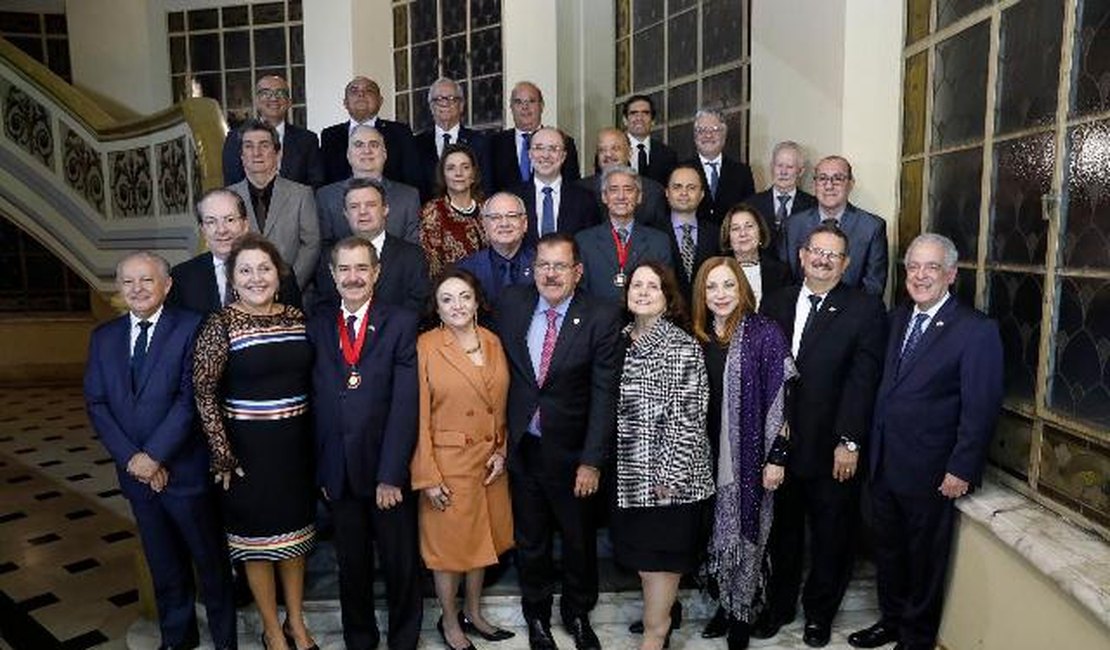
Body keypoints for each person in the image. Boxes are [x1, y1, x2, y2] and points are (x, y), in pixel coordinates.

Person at [849, 234, 1003, 650]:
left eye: (931, 268)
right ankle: (892, 621)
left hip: (932, 471)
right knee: (889, 553)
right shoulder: (897, 318)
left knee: (923, 560)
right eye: (913, 266)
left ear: (951, 275)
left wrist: (962, 467)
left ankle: (915, 639)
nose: (919, 275)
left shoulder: (975, 330)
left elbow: (981, 407)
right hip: (885, 465)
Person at [84, 251, 236, 650]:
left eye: (147, 280)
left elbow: (192, 398)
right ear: (119, 288)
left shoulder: (192, 327)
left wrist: (155, 456)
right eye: (129, 281)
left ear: (166, 286)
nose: (137, 289)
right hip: (137, 477)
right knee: (164, 567)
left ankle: (225, 642)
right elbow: (97, 404)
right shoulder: (104, 337)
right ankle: (177, 640)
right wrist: (135, 460)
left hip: (184, 472)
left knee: (211, 565)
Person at [758, 224, 887, 646]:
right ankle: (779, 607)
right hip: (780, 446)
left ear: (846, 264)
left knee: (833, 536)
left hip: (832, 448)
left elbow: (862, 380)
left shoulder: (865, 309)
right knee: (782, 534)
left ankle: (819, 614)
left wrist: (849, 441)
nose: (823, 259)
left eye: (833, 255)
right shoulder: (774, 303)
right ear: (801, 255)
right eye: (816, 251)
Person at [496, 233, 622, 650]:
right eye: (543, 266)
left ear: (578, 271)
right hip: (524, 450)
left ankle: (578, 613)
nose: (550, 274)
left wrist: (592, 461)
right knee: (530, 540)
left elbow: (605, 394)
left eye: (560, 266)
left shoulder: (601, 315)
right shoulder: (512, 304)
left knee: (578, 539)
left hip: (573, 455)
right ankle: (537, 617)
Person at [192, 234, 317, 650]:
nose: (255, 277)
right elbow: (204, 391)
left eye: (263, 268)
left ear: (277, 275)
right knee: (258, 544)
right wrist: (222, 454)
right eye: (245, 270)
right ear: (232, 278)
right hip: (245, 452)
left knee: (294, 538)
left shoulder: (297, 317)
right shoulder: (220, 323)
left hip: (294, 448)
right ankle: (270, 628)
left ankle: (296, 623)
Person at [308, 235, 423, 650]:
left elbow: (406, 404)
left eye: (362, 268)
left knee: (399, 563)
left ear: (376, 273)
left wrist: (391, 474)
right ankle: (359, 639)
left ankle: (404, 639)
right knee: (350, 565)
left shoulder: (401, 322)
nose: (353, 277)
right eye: (345, 269)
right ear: (332, 274)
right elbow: (314, 399)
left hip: (385, 472)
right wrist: (322, 468)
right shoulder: (317, 323)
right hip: (337, 472)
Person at [691, 256, 797, 650]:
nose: (720, 295)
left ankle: (741, 613)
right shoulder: (696, 334)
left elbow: (783, 399)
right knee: (713, 531)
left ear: (743, 289)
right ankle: (723, 602)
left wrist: (777, 457)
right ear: (702, 292)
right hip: (703, 456)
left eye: (728, 285)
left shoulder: (764, 333)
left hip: (751, 457)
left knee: (749, 531)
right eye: (712, 287)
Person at [412, 269, 516, 650]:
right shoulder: (425, 346)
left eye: (464, 297)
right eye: (447, 299)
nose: (457, 305)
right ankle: (450, 621)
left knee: (481, 543)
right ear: (437, 308)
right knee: (449, 552)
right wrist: (426, 475)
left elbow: (502, 405)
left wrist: (502, 450)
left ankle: (474, 612)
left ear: (476, 302)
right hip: (446, 464)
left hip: (489, 462)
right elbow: (418, 415)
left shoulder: (492, 341)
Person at [612, 261, 714, 650]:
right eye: (636, 285)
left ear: (667, 297)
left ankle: (654, 638)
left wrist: (668, 478)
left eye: (652, 286)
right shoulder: (623, 338)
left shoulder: (679, 345)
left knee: (660, 566)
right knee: (645, 565)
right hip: (632, 478)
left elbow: (687, 418)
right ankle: (660, 624)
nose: (642, 292)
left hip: (668, 484)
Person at [168, 188, 302, 312]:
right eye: (211, 222)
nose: (221, 230)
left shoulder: (279, 272)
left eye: (230, 220)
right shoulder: (181, 277)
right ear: (203, 230)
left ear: (245, 225)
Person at [312, 177, 429, 314]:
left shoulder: (412, 256)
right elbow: (323, 307)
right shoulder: (329, 255)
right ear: (346, 214)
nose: (363, 212)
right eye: (354, 206)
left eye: (371, 205)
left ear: (385, 209)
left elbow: (418, 304)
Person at [227, 119, 320, 291]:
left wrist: (287, 286)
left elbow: (311, 244)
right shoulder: (227, 198)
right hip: (243, 296)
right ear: (241, 156)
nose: (256, 153)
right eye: (249, 146)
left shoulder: (301, 194)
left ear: (278, 154)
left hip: (293, 296)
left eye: (264, 145)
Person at [779, 155, 888, 296]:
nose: (829, 186)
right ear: (815, 184)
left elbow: (874, 287)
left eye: (837, 179)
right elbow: (783, 281)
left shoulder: (872, 227)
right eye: (822, 178)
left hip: (852, 314)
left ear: (850, 184)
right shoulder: (792, 225)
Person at [576, 166, 674, 303]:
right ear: (604, 196)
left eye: (628, 190)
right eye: (614, 190)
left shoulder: (659, 241)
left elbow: (665, 291)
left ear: (639, 196)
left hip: (643, 320)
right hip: (598, 322)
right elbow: (580, 292)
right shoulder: (584, 241)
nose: (621, 196)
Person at [316, 124, 422, 247]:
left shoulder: (408, 196)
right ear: (348, 155)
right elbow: (324, 248)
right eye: (359, 145)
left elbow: (412, 249)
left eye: (374, 145)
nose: (367, 151)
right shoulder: (326, 197)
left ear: (385, 154)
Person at [222, 74, 324, 188]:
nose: (274, 98)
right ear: (256, 101)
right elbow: (232, 183)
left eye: (280, 93)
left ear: (289, 102)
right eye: (266, 93)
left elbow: (316, 183)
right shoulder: (235, 138)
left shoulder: (307, 140)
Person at [320, 76, 420, 186]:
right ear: (345, 103)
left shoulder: (400, 132)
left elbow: (412, 177)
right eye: (354, 91)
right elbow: (326, 179)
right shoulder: (330, 135)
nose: (361, 94)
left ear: (380, 101)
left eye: (369, 90)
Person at [512, 127, 600, 246]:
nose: (546, 155)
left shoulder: (584, 198)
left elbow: (591, 245)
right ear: (530, 154)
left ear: (563, 156)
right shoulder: (513, 198)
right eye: (539, 148)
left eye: (553, 149)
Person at [490, 81, 581, 191]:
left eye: (531, 101)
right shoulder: (494, 144)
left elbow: (572, 187)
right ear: (511, 107)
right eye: (518, 102)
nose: (525, 107)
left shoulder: (564, 142)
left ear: (541, 106)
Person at [414, 77, 493, 200]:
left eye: (451, 98)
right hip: (426, 215)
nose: (445, 103)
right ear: (431, 107)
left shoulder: (480, 142)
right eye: (439, 99)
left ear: (461, 105)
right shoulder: (415, 144)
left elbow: (487, 186)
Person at [578, 127, 667, 231]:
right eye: (602, 150)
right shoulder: (580, 189)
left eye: (615, 149)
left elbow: (659, 237)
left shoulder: (653, 191)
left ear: (629, 153)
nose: (608, 154)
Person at [419, 143, 487, 277]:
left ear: (473, 174)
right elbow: (432, 266)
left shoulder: (488, 207)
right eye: (451, 168)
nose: (458, 173)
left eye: (465, 167)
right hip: (454, 289)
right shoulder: (433, 212)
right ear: (443, 176)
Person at [456, 192, 536, 305]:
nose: (504, 223)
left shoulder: (542, 264)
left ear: (525, 223)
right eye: (495, 217)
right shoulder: (466, 270)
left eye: (512, 216)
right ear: (484, 225)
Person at [684, 109, 755, 224]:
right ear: (695, 136)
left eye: (714, 130)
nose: (708, 135)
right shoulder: (681, 171)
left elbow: (749, 212)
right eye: (702, 130)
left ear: (724, 135)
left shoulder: (742, 172)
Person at [663, 164, 720, 304]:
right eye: (677, 187)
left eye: (691, 187)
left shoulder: (716, 234)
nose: (684, 193)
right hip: (665, 316)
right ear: (667, 192)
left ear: (701, 194)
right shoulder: (652, 234)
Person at [746, 141, 817, 253]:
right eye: (779, 165)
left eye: (789, 167)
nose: (783, 172)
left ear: (800, 171)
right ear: (771, 167)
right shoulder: (751, 204)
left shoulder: (813, 206)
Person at [719, 203, 792, 307]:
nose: (743, 233)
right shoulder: (717, 270)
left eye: (749, 226)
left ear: (760, 231)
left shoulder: (780, 272)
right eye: (735, 228)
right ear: (728, 236)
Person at [622, 95, 678, 185]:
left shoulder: (668, 155)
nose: (639, 118)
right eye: (633, 113)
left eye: (645, 113)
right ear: (625, 120)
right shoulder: (611, 152)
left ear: (653, 121)